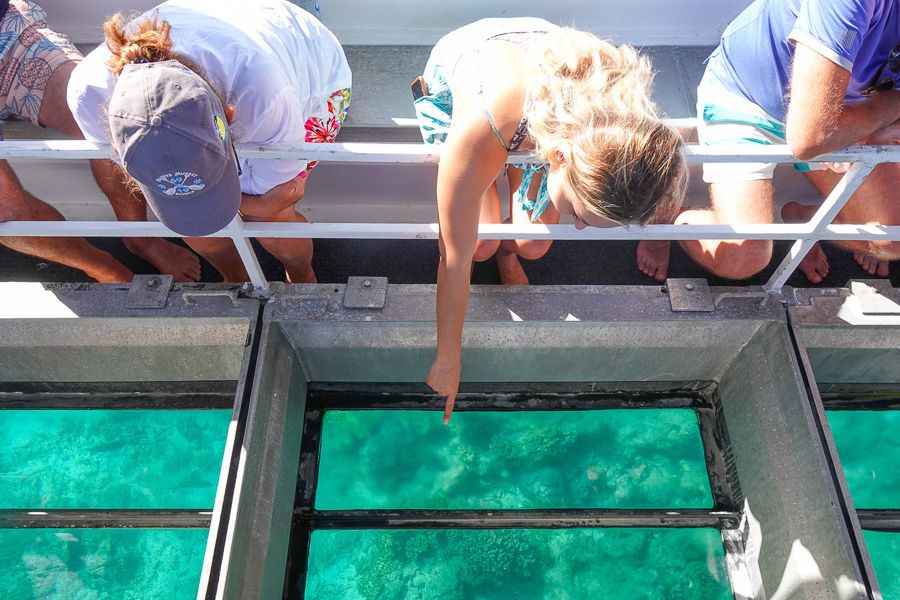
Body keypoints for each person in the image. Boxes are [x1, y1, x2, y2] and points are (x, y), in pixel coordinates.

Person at [414, 18, 687, 422]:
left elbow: (663, 177)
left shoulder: (627, 134)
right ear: (557, 157)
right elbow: (452, 259)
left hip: (549, 97)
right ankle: (495, 224)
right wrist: (448, 357)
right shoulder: (486, 124)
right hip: (478, 74)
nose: (575, 225)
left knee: (534, 244)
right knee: (477, 245)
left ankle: (511, 255)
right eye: (579, 214)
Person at [67, 0, 352, 282]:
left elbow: (283, 193)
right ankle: (236, 278)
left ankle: (302, 274)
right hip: (234, 40)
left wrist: (242, 205)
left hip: (313, 70)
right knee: (198, 229)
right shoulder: (89, 95)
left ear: (229, 118)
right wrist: (216, 204)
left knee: (271, 223)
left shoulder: (263, 94)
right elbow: (253, 201)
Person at [638, 0, 900, 283]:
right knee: (740, 257)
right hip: (748, 99)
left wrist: (875, 129)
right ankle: (670, 216)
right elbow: (811, 137)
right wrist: (887, 109)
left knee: (889, 241)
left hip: (847, 113)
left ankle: (801, 219)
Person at [0, 0, 133, 282]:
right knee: (5, 212)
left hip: (7, 40)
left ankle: (139, 236)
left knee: (112, 117)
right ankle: (102, 265)